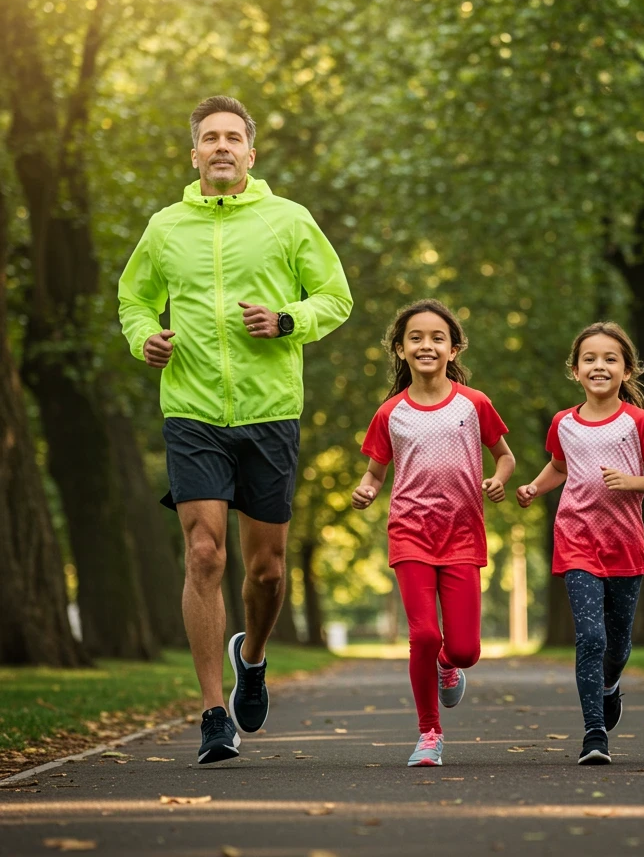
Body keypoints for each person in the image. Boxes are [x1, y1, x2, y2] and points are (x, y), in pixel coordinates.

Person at [118, 96, 353, 764]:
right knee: (204, 554)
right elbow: (133, 298)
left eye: (232, 138)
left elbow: (335, 296)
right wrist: (144, 340)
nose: (221, 147)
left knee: (268, 571)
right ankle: (212, 712)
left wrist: (287, 320)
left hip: (270, 410)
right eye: (209, 139)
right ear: (194, 154)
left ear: (251, 153)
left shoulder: (288, 220)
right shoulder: (165, 228)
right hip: (191, 411)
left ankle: (252, 656)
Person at [351, 299, 515, 768]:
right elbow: (375, 474)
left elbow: (504, 455)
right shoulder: (390, 413)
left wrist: (500, 479)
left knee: (463, 650)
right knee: (423, 635)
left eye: (437, 337)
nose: (427, 345)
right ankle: (429, 732)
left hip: (463, 534)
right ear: (400, 350)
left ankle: (447, 667)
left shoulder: (474, 403)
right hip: (410, 534)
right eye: (416, 338)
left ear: (453, 347)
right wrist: (364, 490)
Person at [517, 322, 644, 765]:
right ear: (575, 369)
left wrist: (631, 481)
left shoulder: (638, 422)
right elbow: (559, 467)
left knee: (619, 643)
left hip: (625, 544)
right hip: (576, 539)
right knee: (590, 637)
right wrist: (533, 487)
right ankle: (594, 734)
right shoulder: (563, 423)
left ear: (627, 371)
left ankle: (610, 687)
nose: (599, 366)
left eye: (610, 359)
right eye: (590, 358)